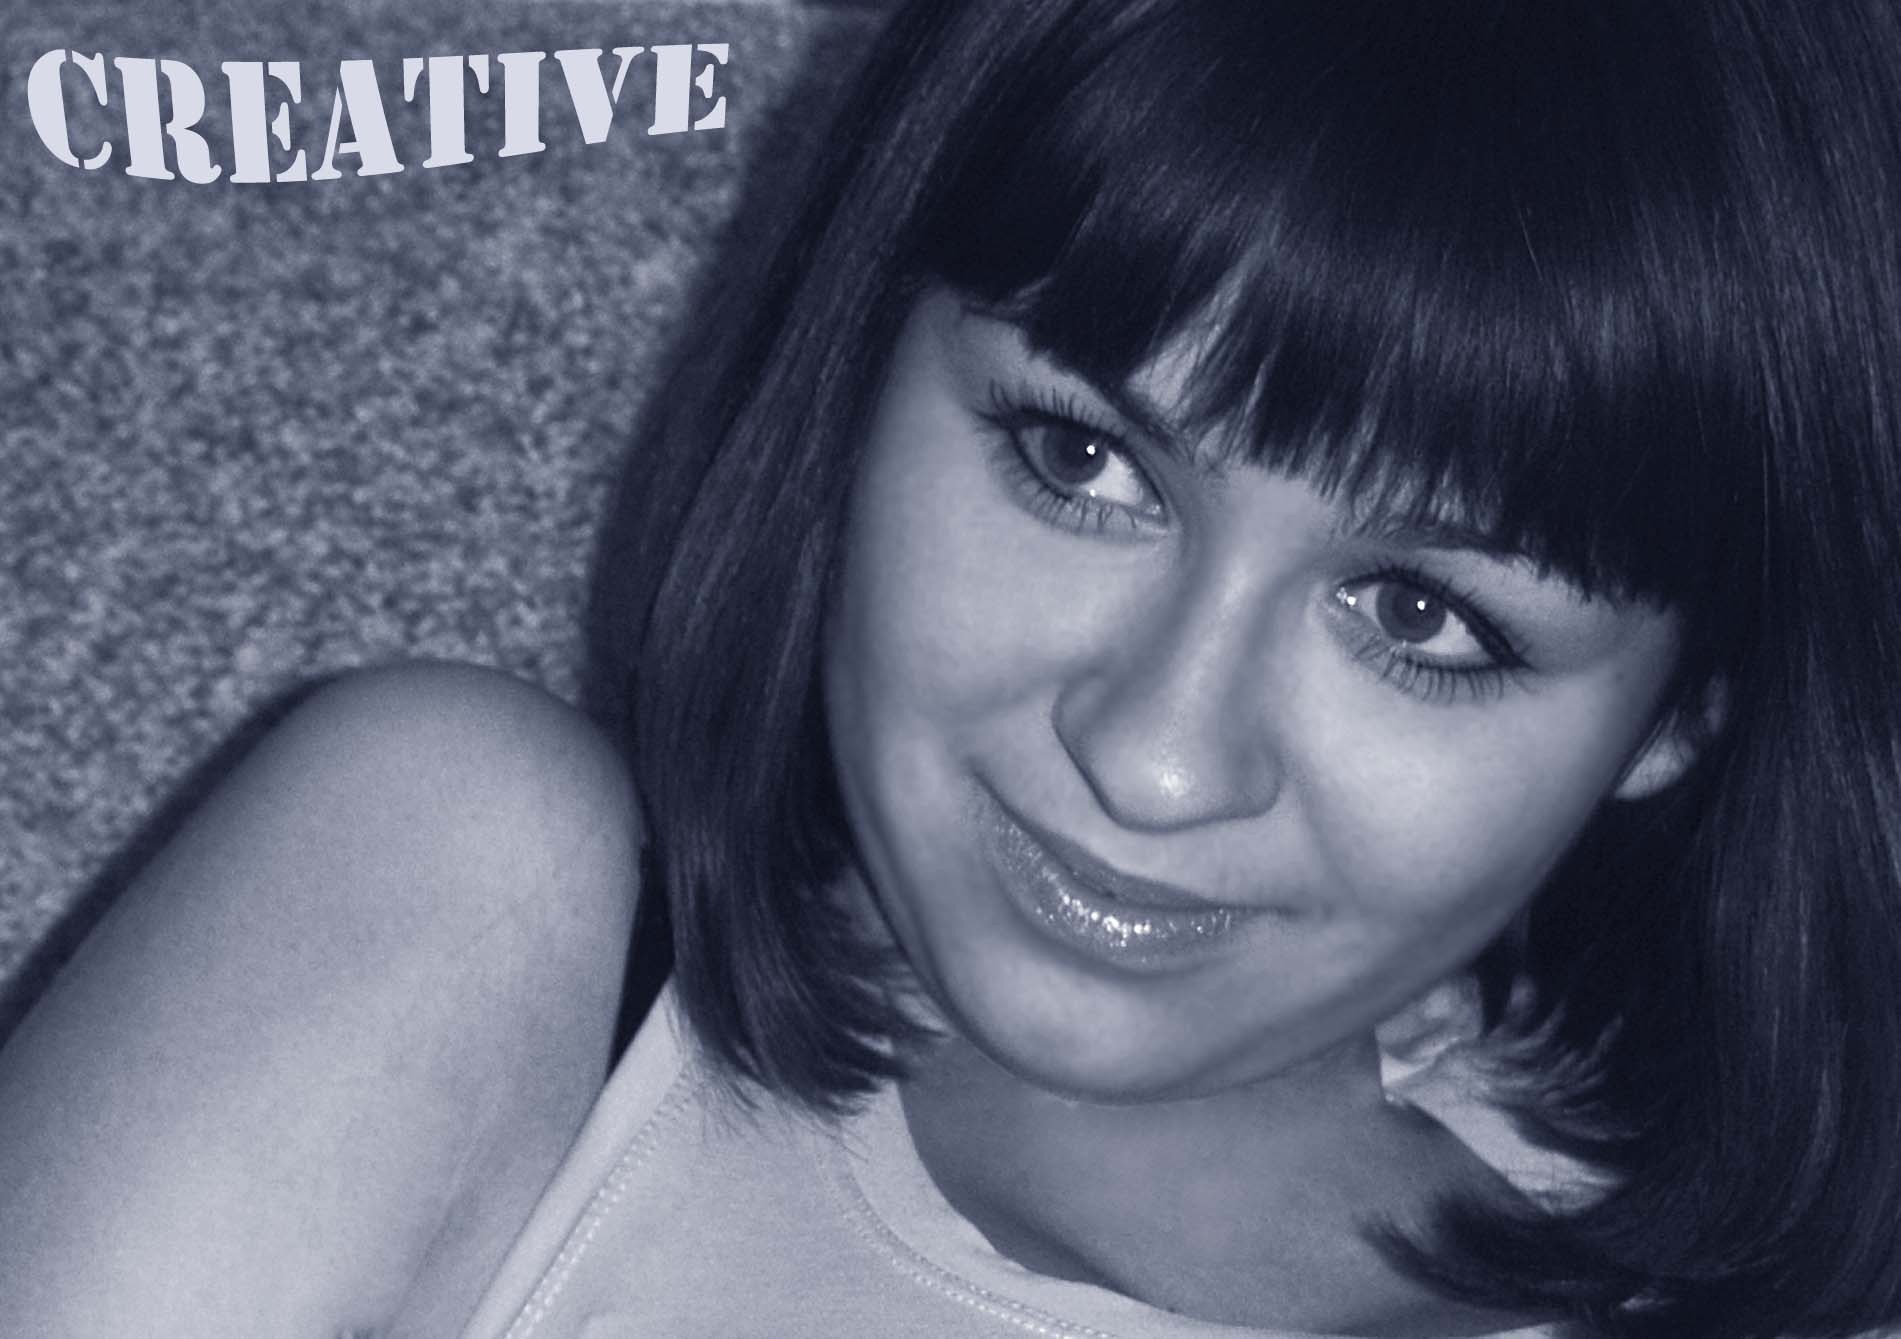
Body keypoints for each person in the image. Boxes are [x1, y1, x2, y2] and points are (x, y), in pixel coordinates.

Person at [2, 0, 1899, 1335]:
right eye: (1079, 461)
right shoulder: (455, 892)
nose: (1156, 754)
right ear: (858, 374)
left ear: (1684, 712)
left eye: (1419, 618)